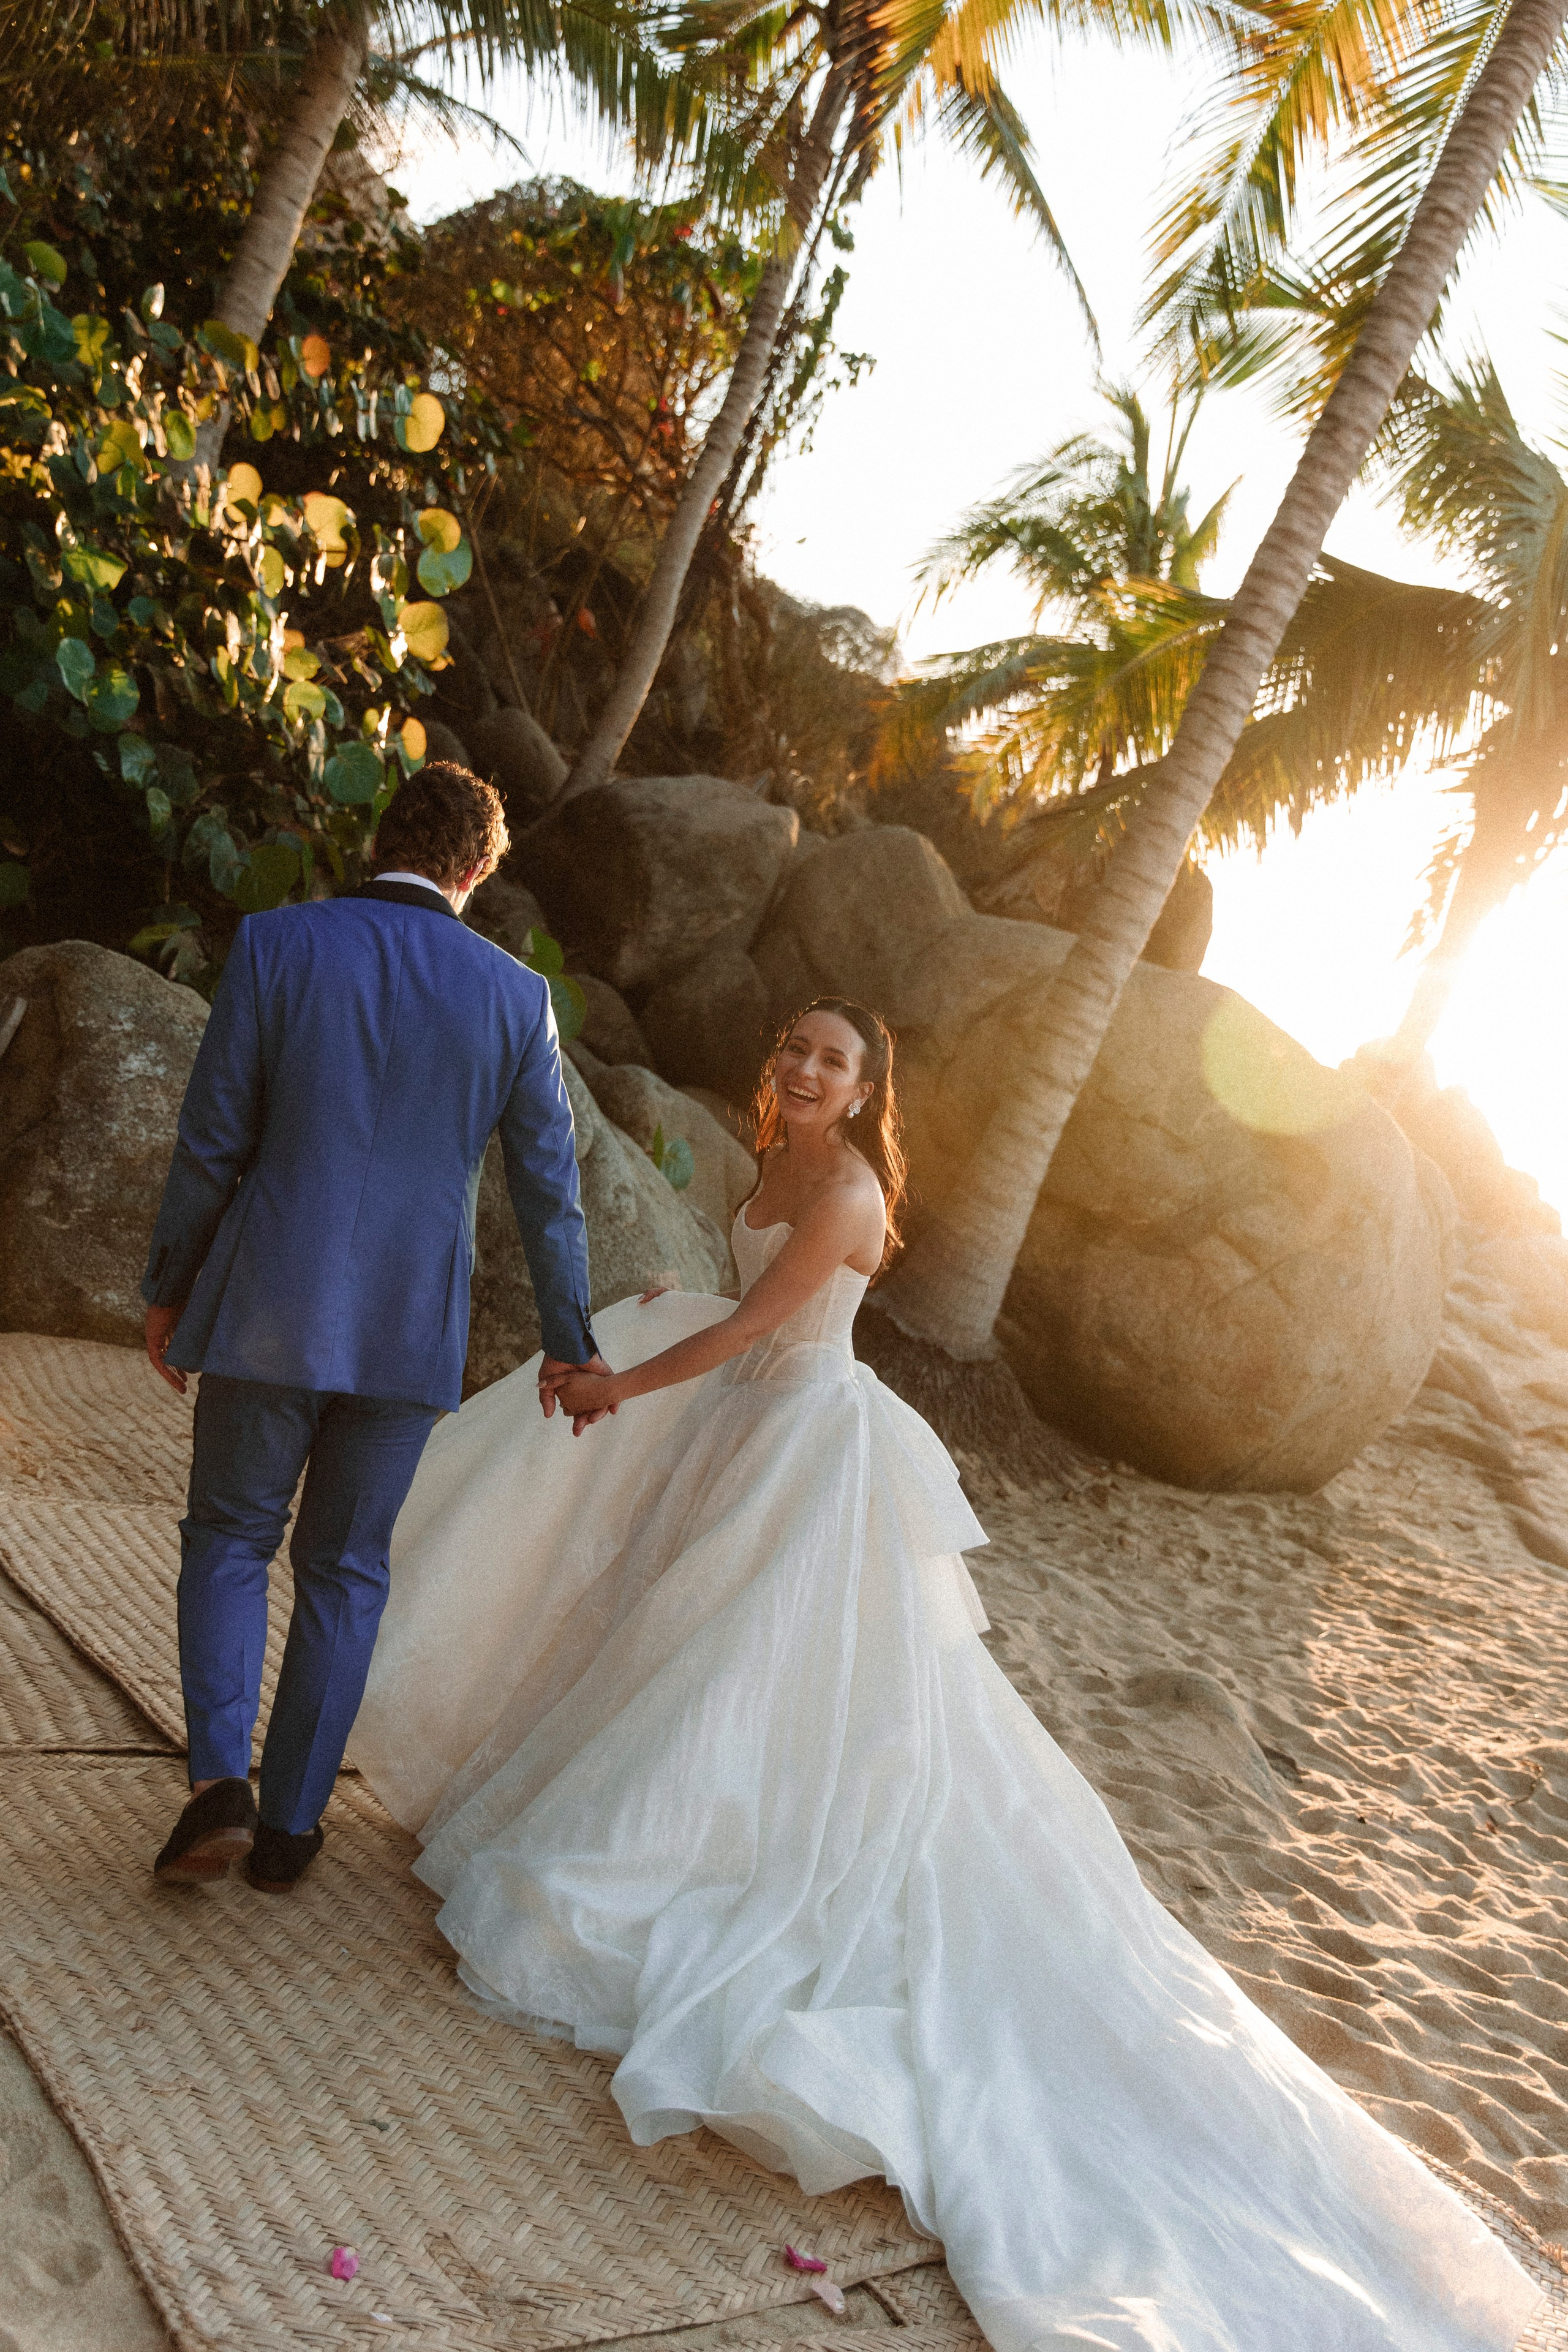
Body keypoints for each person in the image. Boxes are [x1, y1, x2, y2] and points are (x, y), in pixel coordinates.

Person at [350, 998, 1540, 2352]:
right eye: (795, 1048)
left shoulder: (848, 1192)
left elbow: (764, 1334)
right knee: (676, 1648)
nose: (805, 1069)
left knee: (742, 1669)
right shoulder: (780, 1160)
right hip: (746, 1428)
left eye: (833, 1060)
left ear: (866, 1091)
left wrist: (623, 1386)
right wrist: (671, 1307)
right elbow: (745, 1315)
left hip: (802, 1449)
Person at [141, 763, 610, 1894]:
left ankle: (220, 1782)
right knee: (346, 1570)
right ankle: (292, 1830)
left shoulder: (276, 945)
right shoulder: (516, 998)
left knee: (230, 1536)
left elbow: (211, 1141)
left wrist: (170, 1285)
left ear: (379, 838)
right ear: (477, 869)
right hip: (410, 1327)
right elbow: (550, 1192)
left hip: (269, 1305)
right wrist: (570, 1337)